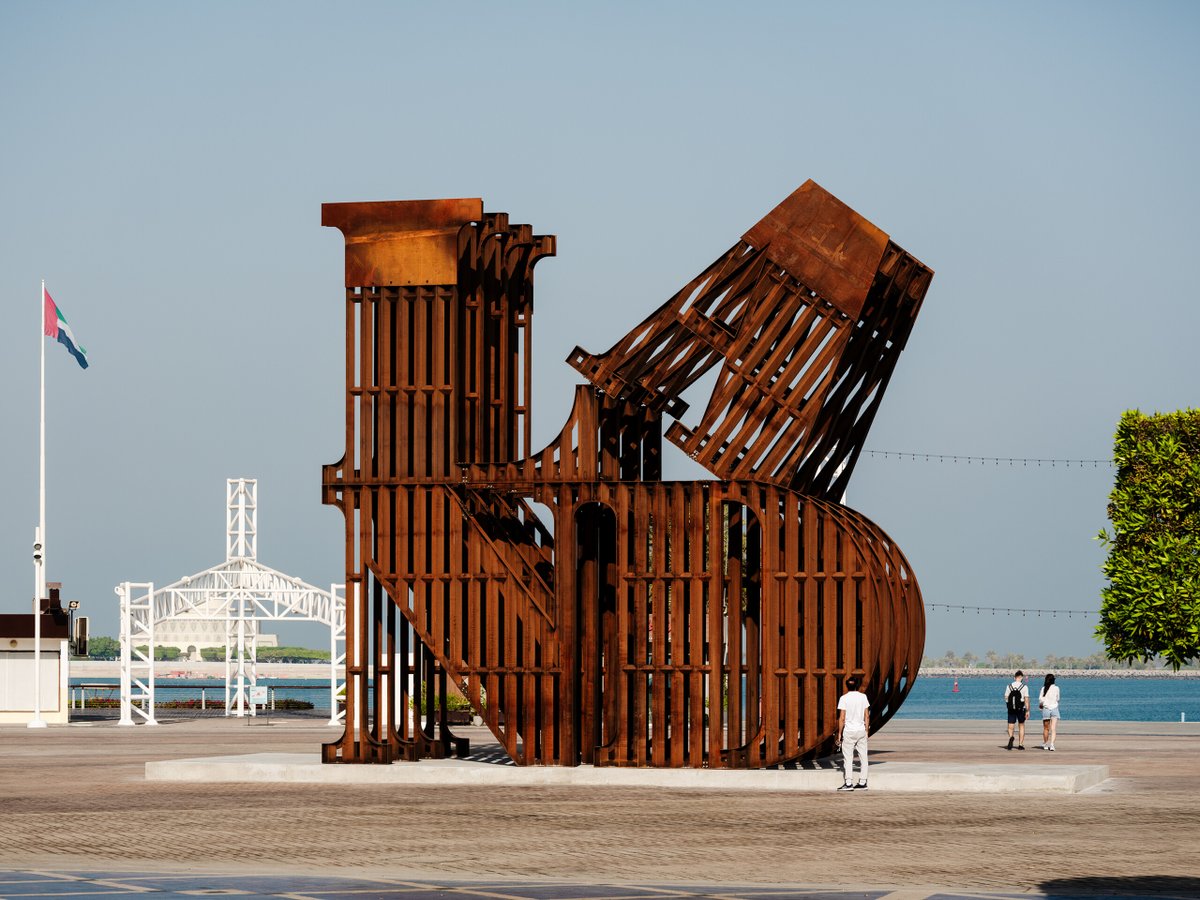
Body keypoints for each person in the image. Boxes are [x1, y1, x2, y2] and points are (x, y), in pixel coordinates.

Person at [835, 675, 870, 790]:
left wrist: (839, 734)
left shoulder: (844, 698)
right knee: (863, 757)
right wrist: (866, 731)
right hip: (861, 730)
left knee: (848, 758)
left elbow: (842, 718)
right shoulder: (863, 697)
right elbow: (866, 716)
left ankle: (849, 783)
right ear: (858, 685)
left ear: (847, 686)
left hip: (849, 731)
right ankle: (863, 782)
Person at [1004, 670, 1030, 750]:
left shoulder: (1009, 686)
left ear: (1014, 677)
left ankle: (1011, 737)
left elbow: (1006, 697)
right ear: (1021, 677)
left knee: (1010, 725)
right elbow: (1026, 700)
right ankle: (1020, 744)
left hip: (1011, 708)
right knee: (1021, 725)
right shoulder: (1024, 687)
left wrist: (1009, 705)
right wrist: (1027, 710)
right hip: (1021, 708)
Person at [1039, 673, 1061, 750]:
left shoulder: (1043, 688)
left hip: (1046, 709)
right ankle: (1052, 745)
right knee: (1053, 729)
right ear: (1053, 680)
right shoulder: (1057, 688)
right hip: (1054, 708)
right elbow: (1058, 699)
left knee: (1046, 728)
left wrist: (1041, 705)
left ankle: (1045, 744)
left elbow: (1041, 700)